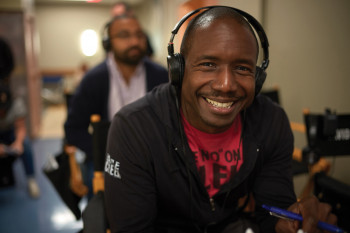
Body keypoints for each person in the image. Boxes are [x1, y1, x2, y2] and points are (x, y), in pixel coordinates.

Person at [104, 6, 337, 233]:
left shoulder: (271, 121)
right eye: (208, 64)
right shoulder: (134, 128)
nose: (226, 85)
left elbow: (271, 215)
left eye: (242, 68)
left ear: (257, 79)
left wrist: (289, 222)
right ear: (178, 70)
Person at [64, 13, 168, 199]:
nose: (134, 41)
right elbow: (73, 129)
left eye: (139, 35)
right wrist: (103, 154)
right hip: (106, 157)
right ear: (108, 43)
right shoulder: (94, 79)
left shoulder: (161, 76)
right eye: (124, 35)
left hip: (152, 157)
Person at [0, 37, 40, 198]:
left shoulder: (15, 102)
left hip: (9, 132)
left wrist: (17, 143)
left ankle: (31, 180)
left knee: (27, 145)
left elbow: (21, 128)